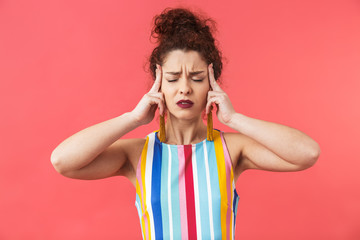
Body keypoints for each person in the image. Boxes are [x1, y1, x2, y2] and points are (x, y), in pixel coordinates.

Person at [51, 7, 321, 240]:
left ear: (212, 84)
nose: (184, 89)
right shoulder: (138, 154)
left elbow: (306, 153)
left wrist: (234, 118)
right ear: (158, 86)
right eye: (172, 79)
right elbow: (63, 161)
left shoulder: (231, 149)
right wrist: (132, 119)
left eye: (196, 77)